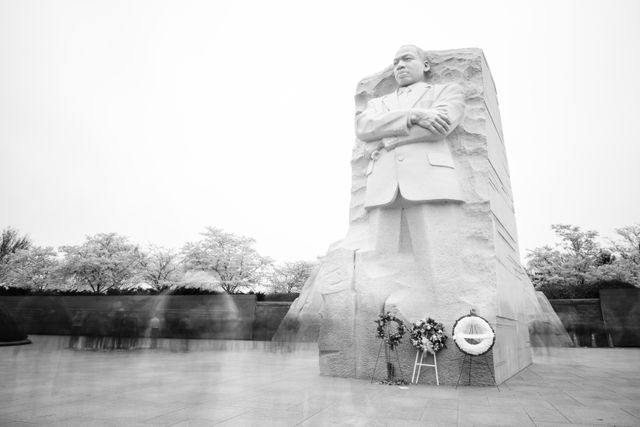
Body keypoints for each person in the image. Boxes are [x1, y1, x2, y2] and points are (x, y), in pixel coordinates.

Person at [355, 45, 466, 289]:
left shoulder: (446, 91)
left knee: (438, 264)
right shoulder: (378, 103)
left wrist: (389, 140)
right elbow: (365, 128)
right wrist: (415, 115)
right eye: (395, 62)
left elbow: (441, 126)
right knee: (377, 270)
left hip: (430, 182)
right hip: (382, 186)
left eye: (407, 59)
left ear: (425, 65)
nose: (400, 66)